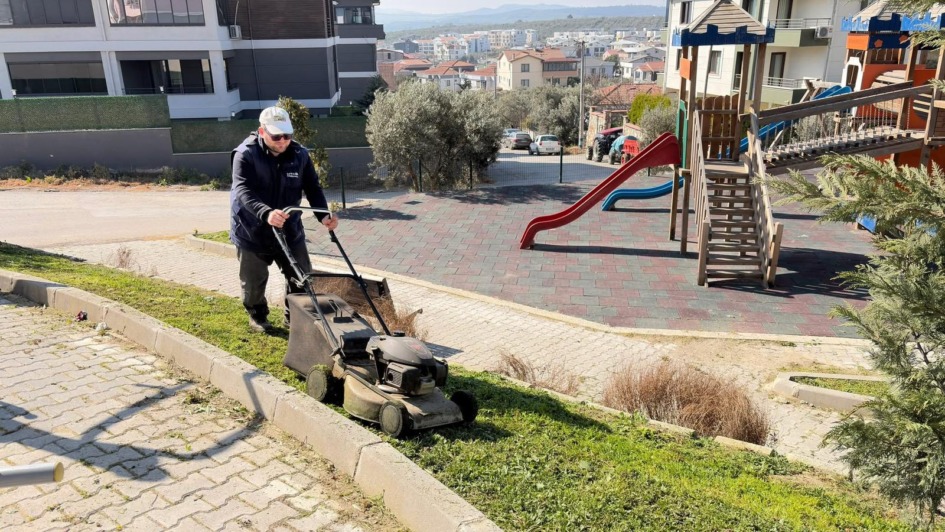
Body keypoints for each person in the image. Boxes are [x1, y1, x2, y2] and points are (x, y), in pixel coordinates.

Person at [230, 106, 339, 333]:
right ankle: (258, 317)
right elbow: (243, 190)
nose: (283, 141)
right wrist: (266, 213)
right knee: (254, 281)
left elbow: (313, 188)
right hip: (252, 229)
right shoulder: (245, 154)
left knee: (301, 276)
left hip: (289, 229)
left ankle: (295, 319)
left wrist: (323, 215)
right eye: (276, 136)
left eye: (287, 135)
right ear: (262, 132)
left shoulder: (300, 154)